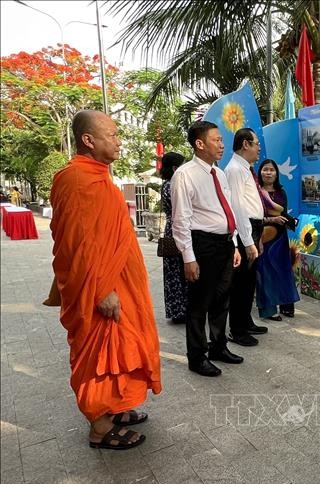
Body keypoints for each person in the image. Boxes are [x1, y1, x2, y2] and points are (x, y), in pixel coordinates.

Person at [49, 109, 161, 449]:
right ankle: (100, 427)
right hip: (102, 288)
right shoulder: (76, 179)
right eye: (111, 135)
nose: (118, 140)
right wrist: (101, 289)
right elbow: (77, 244)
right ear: (88, 140)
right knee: (103, 353)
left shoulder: (99, 176)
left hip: (122, 281)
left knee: (126, 346)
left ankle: (115, 407)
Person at [171, 121, 244, 377]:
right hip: (202, 243)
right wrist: (188, 257)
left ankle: (218, 346)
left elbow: (226, 210)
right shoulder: (185, 175)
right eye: (216, 140)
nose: (222, 145)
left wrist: (233, 243)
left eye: (222, 140)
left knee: (222, 299)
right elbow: (180, 219)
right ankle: (197, 356)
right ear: (199, 144)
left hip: (224, 244)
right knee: (199, 303)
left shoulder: (219, 173)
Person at [224, 128, 267, 347]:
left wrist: (255, 237)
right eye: (256, 143)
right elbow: (237, 207)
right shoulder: (234, 169)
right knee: (240, 282)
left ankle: (246, 321)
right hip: (244, 228)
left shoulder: (246, 168)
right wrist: (248, 241)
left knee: (249, 281)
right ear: (245, 144)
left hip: (253, 227)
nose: (259, 148)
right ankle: (237, 329)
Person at [255, 159, 300, 321]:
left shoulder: (281, 192)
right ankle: (268, 309)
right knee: (265, 272)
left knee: (283, 269)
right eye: (265, 170)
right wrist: (271, 220)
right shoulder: (256, 192)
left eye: (271, 170)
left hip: (280, 238)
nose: (268, 173)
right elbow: (254, 217)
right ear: (260, 172)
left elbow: (284, 213)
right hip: (263, 238)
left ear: (276, 173)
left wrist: (288, 222)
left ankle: (287, 305)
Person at [160, 152, 188, 324]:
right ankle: (182, 309)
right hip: (178, 229)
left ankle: (176, 309)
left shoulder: (165, 185)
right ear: (175, 168)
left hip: (170, 229)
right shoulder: (173, 185)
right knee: (180, 269)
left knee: (173, 271)